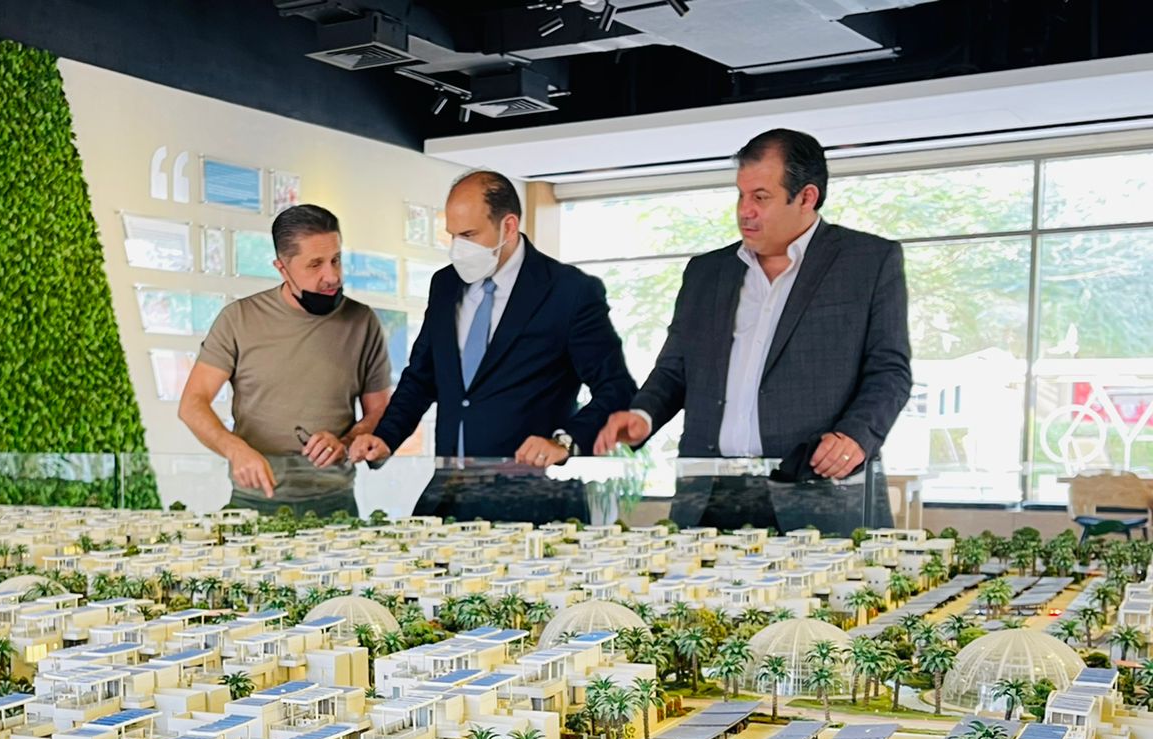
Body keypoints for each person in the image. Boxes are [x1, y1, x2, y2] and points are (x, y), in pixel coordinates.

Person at [593, 129, 911, 535]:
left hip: (818, 490)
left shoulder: (869, 261)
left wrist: (856, 435)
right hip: (710, 498)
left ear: (806, 197)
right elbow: (675, 369)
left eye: (760, 197)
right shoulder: (706, 272)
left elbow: (889, 371)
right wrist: (643, 415)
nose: (745, 211)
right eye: (741, 195)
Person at [347, 170, 636, 521]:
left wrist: (565, 441)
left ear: (508, 226)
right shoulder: (445, 285)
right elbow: (421, 378)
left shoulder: (569, 291)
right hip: (449, 494)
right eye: (453, 235)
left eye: (469, 235)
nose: (458, 247)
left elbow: (617, 388)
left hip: (534, 499)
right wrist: (386, 437)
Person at [180, 203, 391, 517]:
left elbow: (380, 412)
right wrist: (235, 449)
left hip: (336, 504)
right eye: (315, 264)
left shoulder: (362, 321)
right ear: (282, 268)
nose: (332, 276)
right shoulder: (238, 319)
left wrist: (346, 442)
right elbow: (192, 404)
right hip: (253, 502)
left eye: (336, 260)